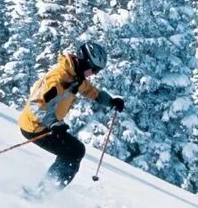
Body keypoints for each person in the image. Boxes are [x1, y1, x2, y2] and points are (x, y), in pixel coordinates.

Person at [18, 41, 124, 195]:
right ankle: (43, 193)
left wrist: (110, 101)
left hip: (44, 125)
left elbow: (89, 90)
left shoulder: (74, 75)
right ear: (85, 62)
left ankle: (43, 191)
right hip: (36, 126)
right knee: (74, 152)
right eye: (94, 69)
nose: (94, 74)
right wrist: (53, 123)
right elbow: (36, 104)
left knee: (73, 152)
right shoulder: (59, 79)